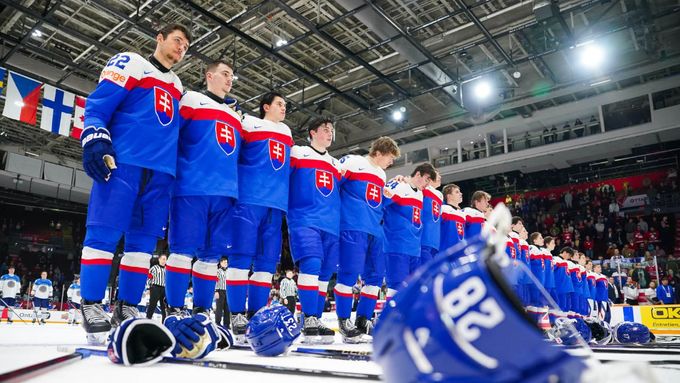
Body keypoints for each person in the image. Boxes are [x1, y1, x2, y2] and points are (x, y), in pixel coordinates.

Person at [77, 24, 191, 341]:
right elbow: (98, 105)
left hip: (161, 173)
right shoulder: (131, 62)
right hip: (124, 162)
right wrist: (96, 140)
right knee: (104, 232)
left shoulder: (178, 85)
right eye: (177, 40)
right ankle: (91, 304)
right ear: (160, 38)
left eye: (186, 45)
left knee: (142, 244)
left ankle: (126, 305)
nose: (182, 47)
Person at [164, 60, 242, 318]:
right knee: (182, 251)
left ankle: (201, 310)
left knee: (210, 257)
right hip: (192, 187)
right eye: (225, 73)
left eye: (232, 75)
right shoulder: (191, 99)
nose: (230, 79)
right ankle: (174, 308)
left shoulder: (235, 115)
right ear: (209, 75)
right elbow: (171, 134)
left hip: (225, 194)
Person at [225, 92, 293, 341]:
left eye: (286, 104)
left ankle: (256, 314)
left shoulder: (286, 132)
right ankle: (236, 315)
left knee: (266, 264)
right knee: (241, 259)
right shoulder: (248, 122)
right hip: (248, 200)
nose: (284, 107)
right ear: (266, 106)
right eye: (279, 103)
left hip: (276, 206)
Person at [334, 136, 400, 342]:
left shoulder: (381, 173)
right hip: (352, 226)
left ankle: (363, 319)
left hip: (375, 229)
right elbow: (333, 186)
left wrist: (398, 185)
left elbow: (381, 200)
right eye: (390, 157)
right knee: (349, 273)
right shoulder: (353, 161)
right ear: (378, 153)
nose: (391, 162)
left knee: (375, 277)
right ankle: (344, 320)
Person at [287, 117, 340, 343]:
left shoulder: (337, 165)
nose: (330, 133)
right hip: (304, 219)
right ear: (312, 133)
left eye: (331, 130)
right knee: (311, 266)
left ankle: (315, 318)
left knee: (325, 275)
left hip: (331, 225)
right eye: (325, 129)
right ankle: (308, 317)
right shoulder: (298, 152)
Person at [383, 163, 436, 300]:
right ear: (418, 174)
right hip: (397, 246)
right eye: (426, 180)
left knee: (413, 287)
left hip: (414, 249)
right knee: (396, 286)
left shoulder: (420, 194)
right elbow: (380, 204)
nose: (427, 184)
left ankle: (405, 320)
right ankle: (390, 319)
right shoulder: (399, 186)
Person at [419, 171, 442, 269]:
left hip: (435, 240)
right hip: (424, 236)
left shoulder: (440, 195)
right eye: (438, 175)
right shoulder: (423, 189)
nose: (440, 177)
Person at [439, 183, 465, 254]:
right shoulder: (443, 209)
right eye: (457, 192)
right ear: (449, 196)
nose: (461, 194)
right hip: (446, 252)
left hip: (460, 251)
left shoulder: (462, 213)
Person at [146, 255, 167, 322]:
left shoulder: (167, 269)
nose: (164, 261)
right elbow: (149, 278)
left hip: (164, 288)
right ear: (159, 259)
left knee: (164, 306)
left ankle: (164, 321)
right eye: (163, 259)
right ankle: (148, 319)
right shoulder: (154, 268)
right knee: (152, 304)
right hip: (155, 287)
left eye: (165, 259)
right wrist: (148, 288)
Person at [214, 257, 230, 328]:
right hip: (220, 291)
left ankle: (226, 324)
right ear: (220, 263)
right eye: (224, 262)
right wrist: (216, 291)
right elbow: (216, 281)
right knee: (219, 308)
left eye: (226, 262)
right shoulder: (218, 271)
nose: (225, 263)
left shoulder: (229, 271)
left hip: (228, 291)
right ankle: (218, 323)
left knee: (227, 308)